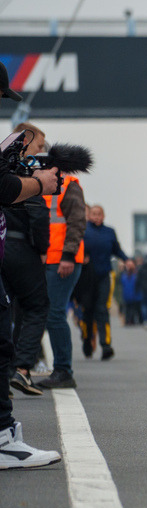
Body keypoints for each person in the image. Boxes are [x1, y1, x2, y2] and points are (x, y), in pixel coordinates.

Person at [0, 64, 63, 468]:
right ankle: (4, 437)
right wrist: (40, 183)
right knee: (9, 328)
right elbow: (3, 190)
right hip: (23, 253)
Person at [35, 128, 88, 391]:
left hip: (63, 261)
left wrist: (68, 256)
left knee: (55, 313)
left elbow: (77, 223)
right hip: (49, 260)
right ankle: (55, 367)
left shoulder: (69, 186)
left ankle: (64, 371)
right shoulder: (43, 185)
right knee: (50, 313)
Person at [3, 123, 50, 396]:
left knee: (5, 310)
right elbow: (38, 214)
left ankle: (5, 375)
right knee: (36, 306)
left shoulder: (2, 165)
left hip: (1, 245)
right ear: (25, 142)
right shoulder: (26, 170)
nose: (42, 151)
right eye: (40, 145)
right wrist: (43, 250)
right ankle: (21, 370)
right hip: (20, 246)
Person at [80, 204, 128, 360]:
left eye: (99, 214)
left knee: (102, 309)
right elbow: (75, 247)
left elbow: (117, 250)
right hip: (86, 277)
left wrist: (127, 260)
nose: (96, 216)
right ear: (89, 215)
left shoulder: (109, 232)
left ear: (104, 216)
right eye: (93, 213)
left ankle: (106, 345)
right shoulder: (83, 230)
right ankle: (87, 340)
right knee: (87, 311)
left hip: (104, 275)